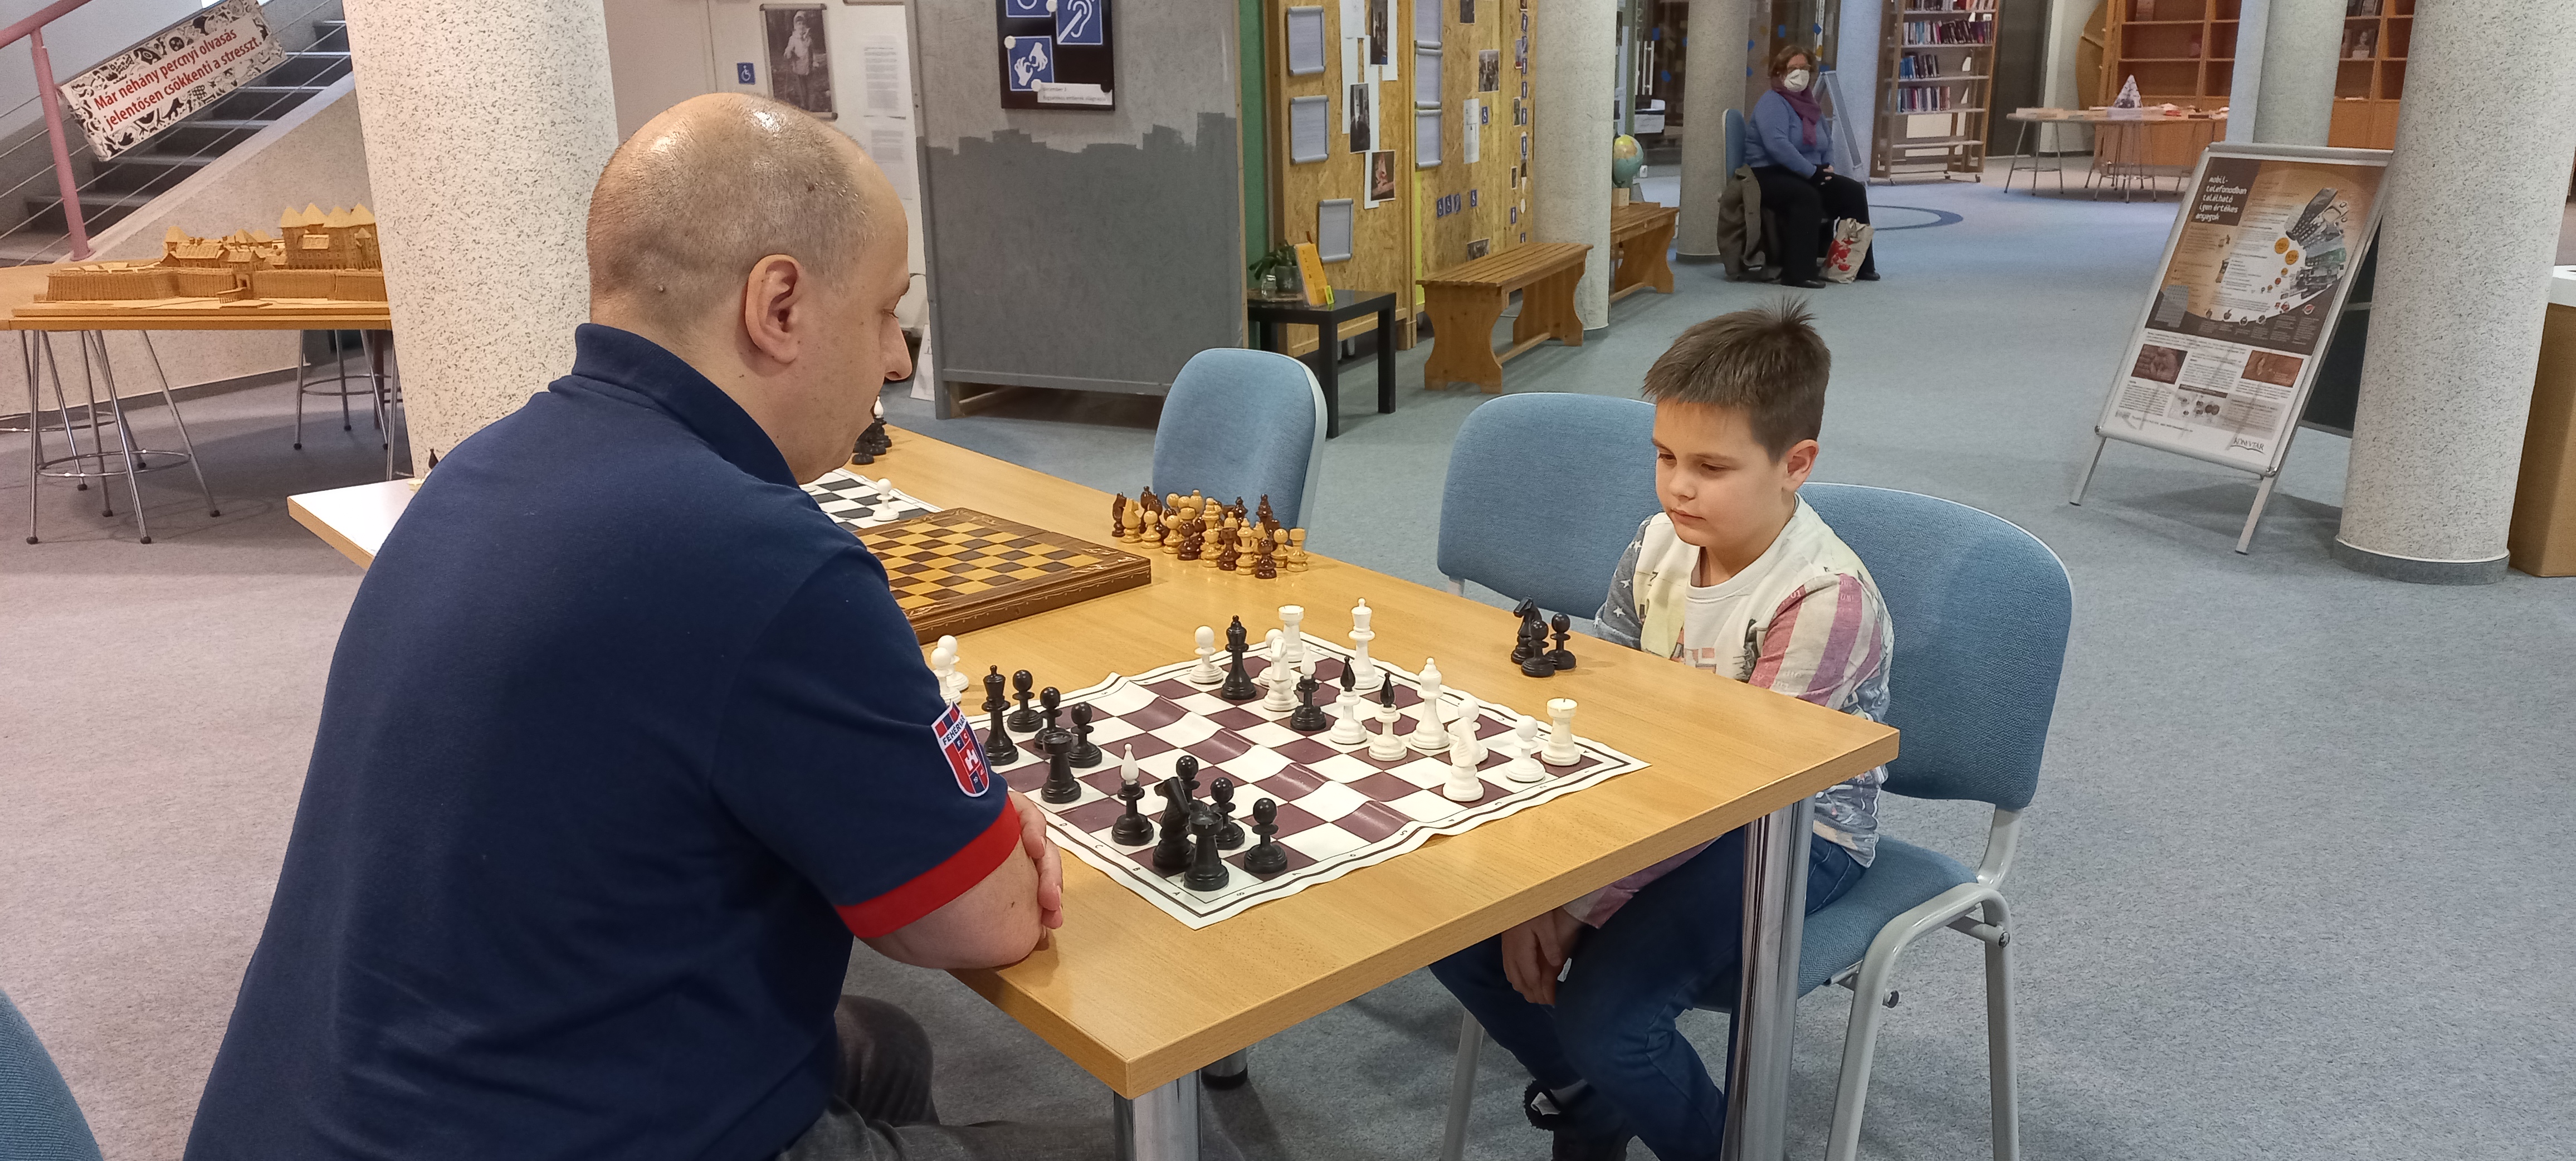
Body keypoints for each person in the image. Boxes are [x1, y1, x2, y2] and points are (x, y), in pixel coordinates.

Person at [183, 94, 1086, 1161]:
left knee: (883, 1044)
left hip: (310, 1110)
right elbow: (985, 919)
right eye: (887, 312)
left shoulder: (476, 471)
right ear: (779, 306)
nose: (895, 359)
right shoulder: (767, 557)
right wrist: (981, 831)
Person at [1428, 302, 1892, 1161]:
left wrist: (1573, 900)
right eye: (1666, 456)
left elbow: (1741, 793)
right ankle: (1590, 1098)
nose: (1678, 486)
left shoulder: (1822, 600)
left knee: (1608, 1021)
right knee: (1452, 922)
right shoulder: (1655, 545)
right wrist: (1534, 884)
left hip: (1791, 828)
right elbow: (1605, 703)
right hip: (1660, 792)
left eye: (1711, 467)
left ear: (1796, 465)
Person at [1746, 47, 1877, 287]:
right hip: (1769, 173)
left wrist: (1827, 167)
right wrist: (1812, 172)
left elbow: (1826, 141)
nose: (1800, 73)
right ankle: (1798, 273)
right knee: (1806, 196)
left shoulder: (1811, 105)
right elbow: (1778, 146)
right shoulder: (1772, 102)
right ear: (1780, 73)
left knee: (1853, 192)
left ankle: (1858, 265)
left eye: (1804, 68)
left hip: (1809, 171)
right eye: (1793, 68)